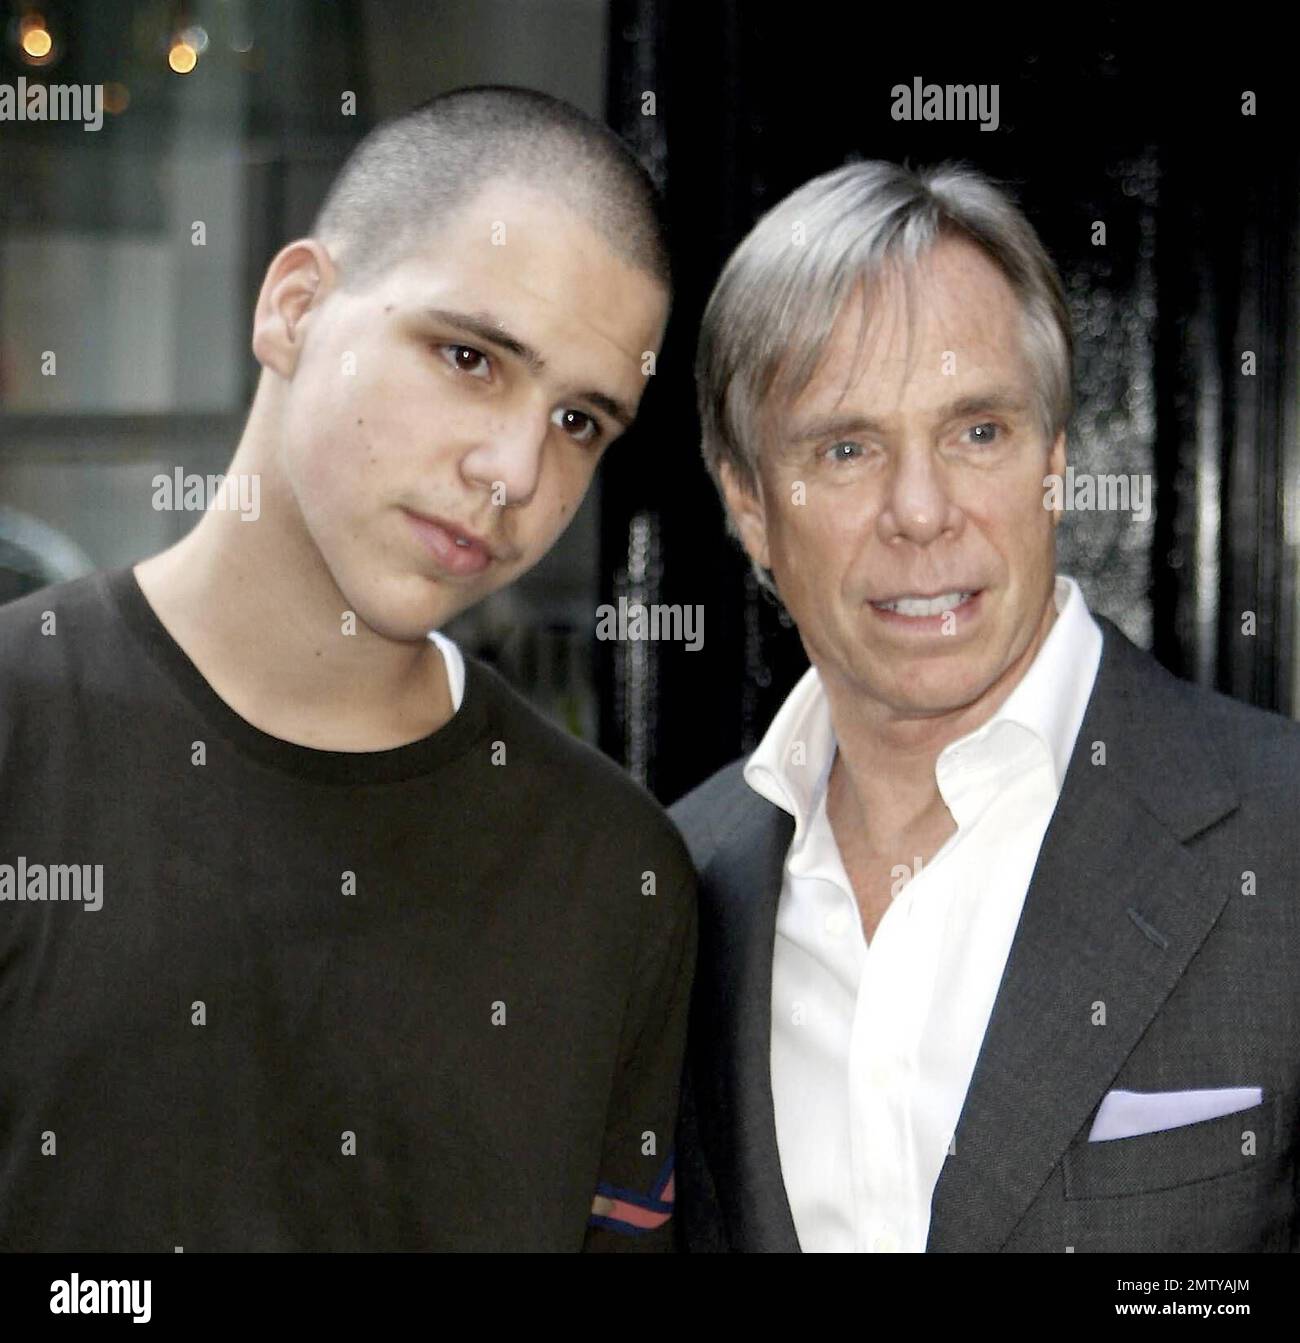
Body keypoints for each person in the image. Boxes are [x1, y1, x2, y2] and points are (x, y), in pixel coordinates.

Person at [0, 85, 695, 1252]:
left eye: (581, 420)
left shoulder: (615, 873)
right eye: (470, 355)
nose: (514, 467)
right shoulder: (22, 731)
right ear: (294, 306)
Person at [671, 159, 1300, 1253]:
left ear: (1055, 460)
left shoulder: (1282, 835)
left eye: (977, 432)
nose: (919, 512)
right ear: (750, 506)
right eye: (846, 447)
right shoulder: (676, 882)